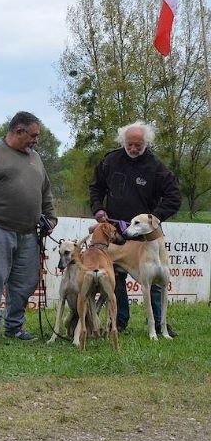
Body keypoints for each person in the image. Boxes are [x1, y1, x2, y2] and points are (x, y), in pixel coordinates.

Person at [0, 111, 57, 342]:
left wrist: (51, 217)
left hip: (28, 231)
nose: (36, 140)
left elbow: (45, 190)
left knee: (25, 281)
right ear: (18, 131)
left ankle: (14, 326)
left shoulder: (35, 157)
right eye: (33, 135)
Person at [89, 121, 181, 335]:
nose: (133, 149)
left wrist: (154, 218)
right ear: (123, 142)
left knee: (156, 283)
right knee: (115, 279)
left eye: (138, 145)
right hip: (115, 231)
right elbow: (96, 187)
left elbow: (174, 197)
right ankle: (119, 322)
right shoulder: (110, 160)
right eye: (129, 144)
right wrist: (98, 209)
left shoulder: (156, 167)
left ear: (146, 143)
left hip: (146, 234)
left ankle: (159, 324)